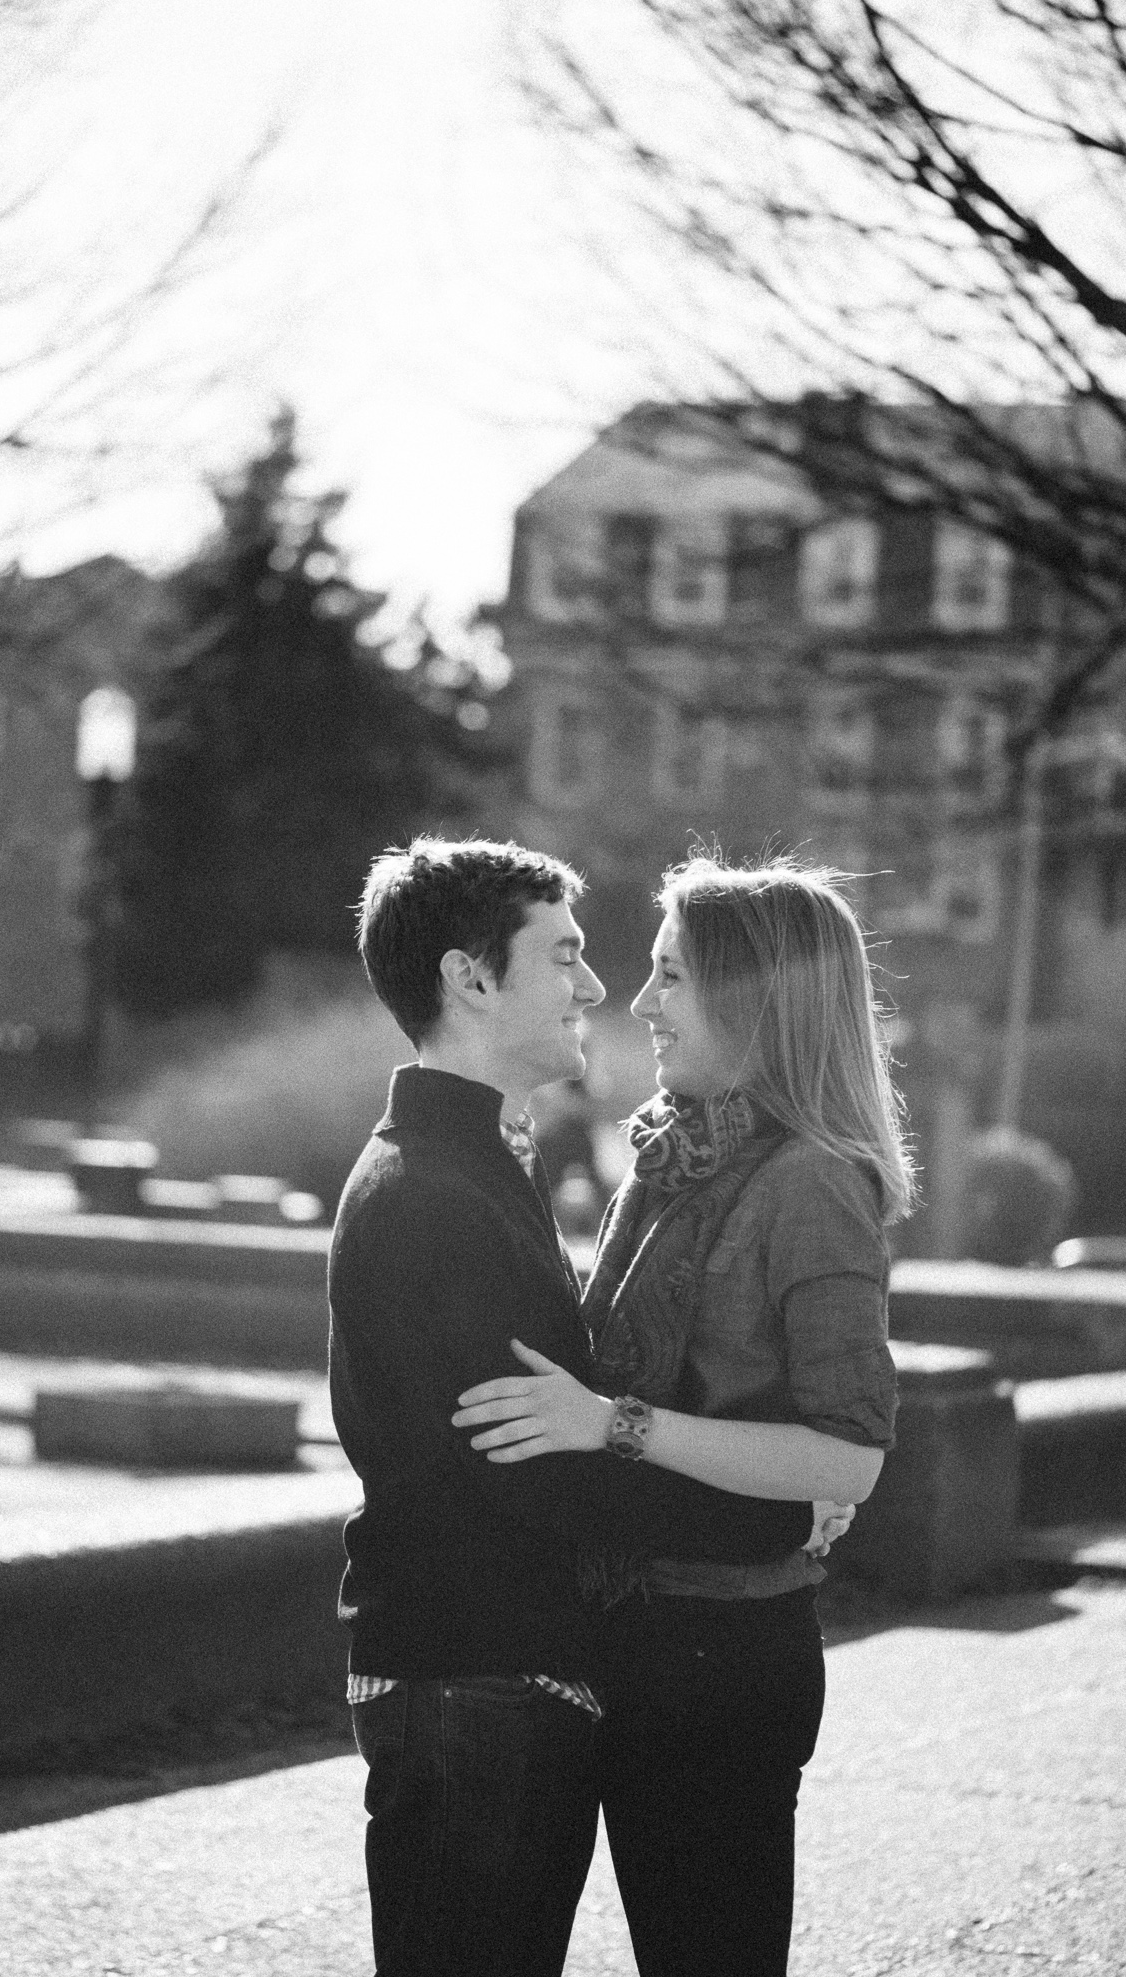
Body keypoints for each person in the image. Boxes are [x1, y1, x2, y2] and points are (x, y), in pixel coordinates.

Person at [328, 838, 830, 1977]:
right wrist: (779, 1514)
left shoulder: (463, 1166)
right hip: (472, 1689)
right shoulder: (431, 1197)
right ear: (469, 978)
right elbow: (545, 1473)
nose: (596, 988)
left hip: (482, 1683)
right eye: (562, 954)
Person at [454, 851, 914, 1977]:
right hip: (632, 1630)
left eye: (673, 977)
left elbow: (848, 1455)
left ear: (757, 999)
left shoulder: (808, 1181)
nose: (641, 1002)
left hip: (720, 1658)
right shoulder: (668, 1157)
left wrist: (613, 1425)